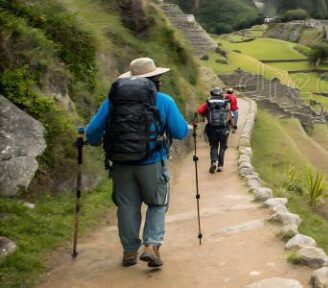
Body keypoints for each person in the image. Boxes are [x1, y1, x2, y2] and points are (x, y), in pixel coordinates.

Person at [85, 57, 189, 268]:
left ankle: (129, 252)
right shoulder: (164, 101)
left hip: (121, 164)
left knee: (126, 206)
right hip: (153, 163)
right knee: (158, 202)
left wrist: (97, 141)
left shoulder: (113, 102)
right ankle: (151, 245)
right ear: (155, 79)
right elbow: (180, 132)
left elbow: (92, 133)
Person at [193, 87, 234, 174]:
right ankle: (220, 166)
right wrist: (233, 126)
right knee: (223, 147)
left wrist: (203, 116)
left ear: (212, 94)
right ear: (221, 94)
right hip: (224, 129)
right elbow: (230, 116)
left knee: (214, 146)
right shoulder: (226, 103)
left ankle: (213, 162)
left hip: (211, 129)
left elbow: (200, 112)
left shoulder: (208, 103)